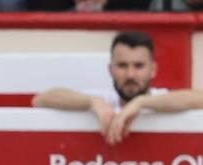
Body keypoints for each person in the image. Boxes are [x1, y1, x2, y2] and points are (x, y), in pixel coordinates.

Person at [33, 30, 203, 145]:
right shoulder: (102, 100)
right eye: (122, 65)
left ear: (153, 70)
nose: (130, 75)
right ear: (110, 69)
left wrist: (142, 103)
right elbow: (41, 100)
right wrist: (91, 102)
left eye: (139, 66)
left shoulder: (161, 99)